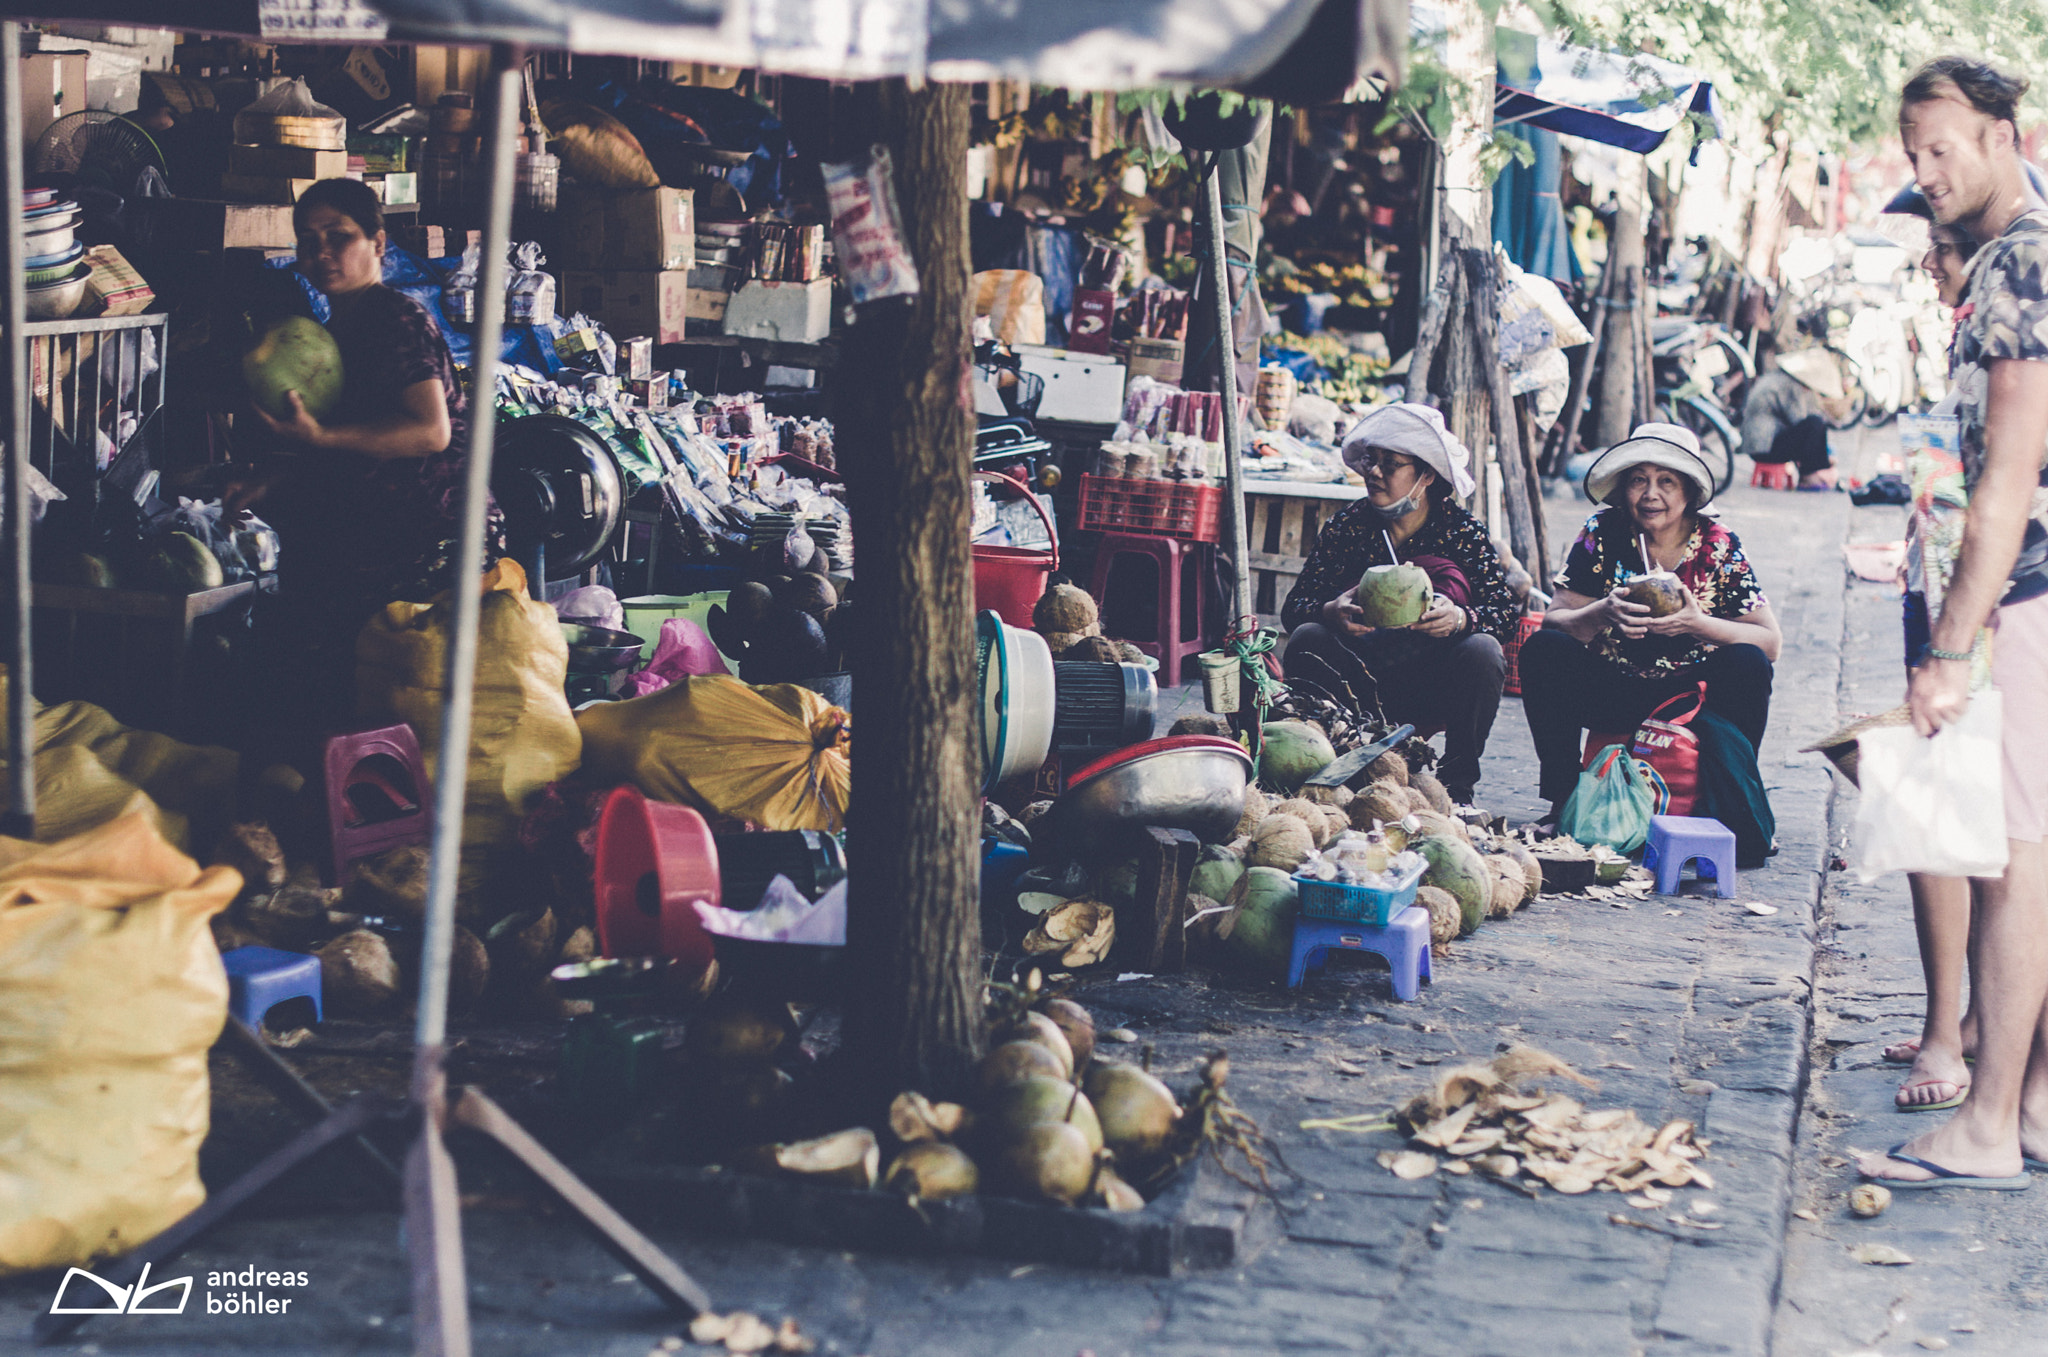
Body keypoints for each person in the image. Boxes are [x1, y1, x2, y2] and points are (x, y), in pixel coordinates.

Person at [1861, 56, 2048, 1191]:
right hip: (2024, 589)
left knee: (2008, 869)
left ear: (1998, 135)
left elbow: (2008, 477)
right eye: (1910, 151)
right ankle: (2028, 1100)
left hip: (2023, 594)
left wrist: (1947, 646)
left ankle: (1984, 1124)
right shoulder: (2009, 255)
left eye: (1941, 148)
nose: (1923, 172)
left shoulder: (2018, 261)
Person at [224, 177, 501, 729]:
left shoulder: (395, 319)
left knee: (390, 707)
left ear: (377, 243)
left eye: (338, 235)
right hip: (374, 537)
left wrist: (320, 440)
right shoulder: (332, 332)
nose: (321, 251)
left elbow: (429, 432)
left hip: (430, 540)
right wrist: (276, 479)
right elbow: (356, 440)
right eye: (308, 240)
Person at [1518, 423, 1782, 833]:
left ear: (1689, 492)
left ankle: (1730, 803)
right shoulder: (1602, 533)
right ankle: (1564, 800)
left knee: (1748, 662)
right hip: (1614, 687)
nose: (1650, 494)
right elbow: (1555, 619)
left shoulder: (1718, 544)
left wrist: (1699, 625)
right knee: (1544, 649)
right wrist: (1602, 612)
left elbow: (1770, 642)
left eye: (1666, 482)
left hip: (1690, 700)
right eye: (1639, 480)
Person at [1279, 402, 1520, 806]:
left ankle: (1456, 789)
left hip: (1432, 680)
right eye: (1371, 461)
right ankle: (1318, 764)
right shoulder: (1349, 527)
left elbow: (1506, 614)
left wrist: (1461, 619)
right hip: (1356, 680)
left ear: (1425, 475)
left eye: (1389, 464)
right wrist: (1330, 611)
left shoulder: (1462, 533)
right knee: (1307, 636)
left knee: (1484, 649)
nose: (1373, 472)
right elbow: (1294, 606)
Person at [1883, 205, 1984, 1113]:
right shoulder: (1970, 339)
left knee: (1942, 820)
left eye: (1943, 248)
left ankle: (1952, 1037)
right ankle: (1960, 1021)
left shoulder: (2015, 332)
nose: (1928, 262)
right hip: (1945, 591)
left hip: (1980, 613)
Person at [1739, 349, 1840, 488]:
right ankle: (1810, 475)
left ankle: (1818, 469)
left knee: (1815, 424)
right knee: (1814, 424)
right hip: (1765, 449)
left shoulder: (1778, 377)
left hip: (1761, 447)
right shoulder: (1788, 385)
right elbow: (1798, 420)